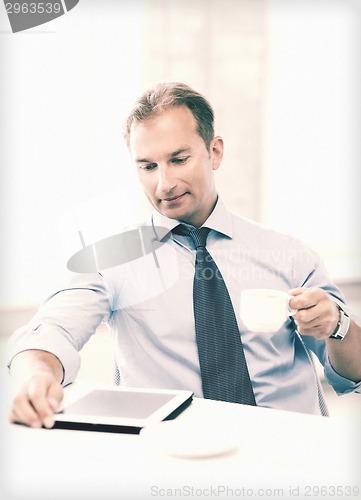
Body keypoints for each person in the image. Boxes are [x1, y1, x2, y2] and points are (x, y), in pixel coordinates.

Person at [6, 82, 361, 428]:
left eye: (178, 159)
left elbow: (353, 374)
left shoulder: (289, 254)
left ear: (215, 152)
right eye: (147, 166)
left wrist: (338, 325)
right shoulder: (111, 259)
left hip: (291, 456)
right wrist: (36, 376)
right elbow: (51, 331)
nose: (164, 183)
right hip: (174, 458)